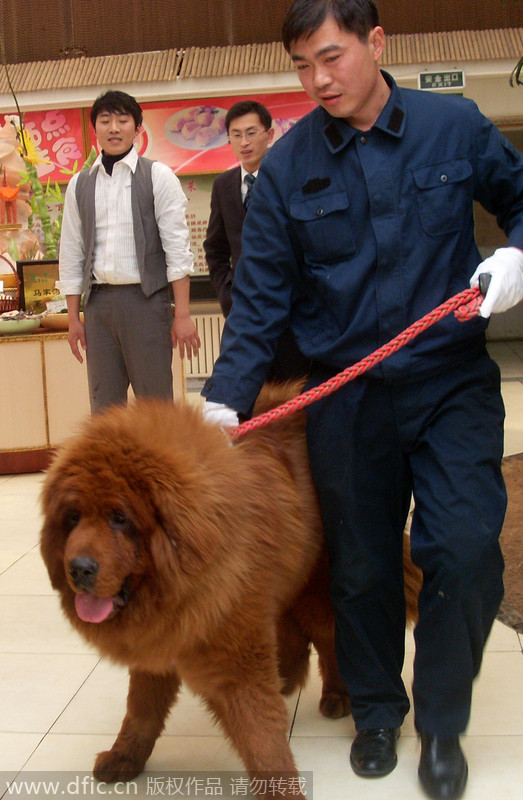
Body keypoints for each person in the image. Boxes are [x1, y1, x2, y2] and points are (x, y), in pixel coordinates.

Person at [201, 2, 523, 799]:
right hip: (345, 399)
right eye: (301, 66)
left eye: (331, 58)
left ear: (376, 43)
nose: (316, 81)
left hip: (450, 383)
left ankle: (442, 724)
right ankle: (378, 710)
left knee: (464, 548)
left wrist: (516, 251)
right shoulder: (286, 168)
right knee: (362, 564)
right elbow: (261, 303)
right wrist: (221, 404)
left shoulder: (453, 127)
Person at [59, 89, 200, 413]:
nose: (114, 128)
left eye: (123, 120)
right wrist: (73, 319)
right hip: (98, 309)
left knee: (156, 408)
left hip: (146, 303)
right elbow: (71, 253)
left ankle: (162, 466)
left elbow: (178, 250)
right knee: (105, 410)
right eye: (105, 120)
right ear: (95, 128)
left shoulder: (157, 176)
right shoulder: (81, 184)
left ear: (137, 128)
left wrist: (182, 314)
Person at [204, 99, 310, 381]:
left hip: (291, 312)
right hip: (243, 312)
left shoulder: (291, 180)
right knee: (244, 393)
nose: (244, 142)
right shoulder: (223, 185)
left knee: (293, 392)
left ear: (270, 135)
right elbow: (215, 249)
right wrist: (227, 294)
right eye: (236, 135)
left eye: (251, 133)